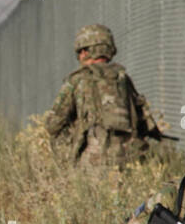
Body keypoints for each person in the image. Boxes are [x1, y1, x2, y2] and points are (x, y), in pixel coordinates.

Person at [42, 24, 164, 166]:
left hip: (91, 161)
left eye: (82, 50)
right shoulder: (123, 78)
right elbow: (144, 120)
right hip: (129, 158)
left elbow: (53, 124)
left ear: (87, 51)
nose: (80, 55)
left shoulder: (77, 80)